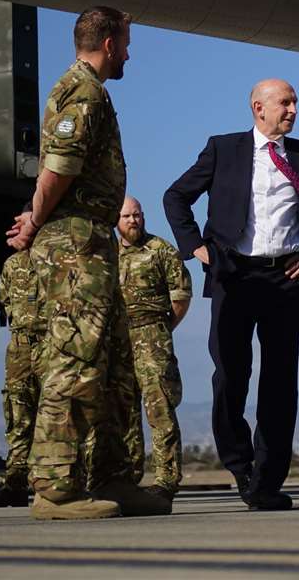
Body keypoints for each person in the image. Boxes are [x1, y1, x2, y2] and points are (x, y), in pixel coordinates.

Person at [163, 77, 299, 511]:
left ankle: (266, 482)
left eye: (295, 103)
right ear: (258, 107)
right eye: (285, 103)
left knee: (280, 383)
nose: (293, 110)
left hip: (285, 278)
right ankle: (240, 465)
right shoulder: (223, 149)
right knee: (230, 376)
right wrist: (196, 247)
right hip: (233, 276)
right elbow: (176, 196)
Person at [4, 5, 164, 521]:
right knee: (74, 360)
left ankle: (113, 476)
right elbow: (57, 169)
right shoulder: (83, 91)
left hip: (95, 243)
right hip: (74, 243)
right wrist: (32, 220)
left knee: (114, 364)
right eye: (127, 43)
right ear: (111, 42)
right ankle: (54, 489)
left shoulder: (92, 91)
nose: (131, 54)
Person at [116, 196, 192, 498]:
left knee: (160, 408)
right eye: (126, 216)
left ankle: (167, 478)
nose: (133, 220)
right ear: (116, 220)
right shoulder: (106, 254)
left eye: (137, 215)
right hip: (118, 341)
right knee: (123, 412)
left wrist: (161, 330)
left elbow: (181, 298)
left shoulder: (161, 251)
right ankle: (127, 475)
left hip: (152, 336)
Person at [0, 247, 45, 507]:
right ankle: (16, 484)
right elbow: (6, 300)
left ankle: (56, 484)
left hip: (49, 343)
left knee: (56, 412)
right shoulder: (11, 264)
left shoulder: (53, 258)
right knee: (18, 413)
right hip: (19, 346)